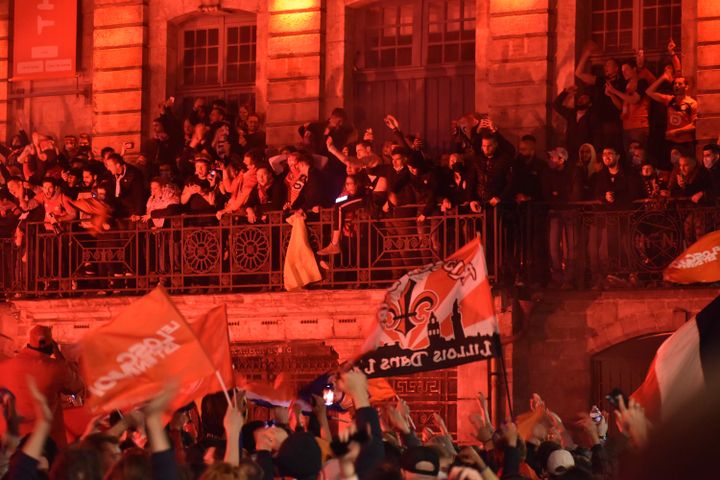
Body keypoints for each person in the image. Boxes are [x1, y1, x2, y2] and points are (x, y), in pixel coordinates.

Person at [0, 325, 83, 447]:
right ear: (50, 345)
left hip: (12, 438)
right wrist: (59, 356)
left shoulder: (5, 367)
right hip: (46, 442)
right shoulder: (56, 368)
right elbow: (77, 387)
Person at [646, 70, 698, 152]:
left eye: (680, 84)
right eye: (675, 84)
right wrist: (663, 78)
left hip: (685, 141)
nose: (676, 86)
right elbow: (649, 92)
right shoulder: (669, 100)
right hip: (671, 141)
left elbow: (694, 125)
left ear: (686, 87)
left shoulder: (692, 103)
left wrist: (676, 132)